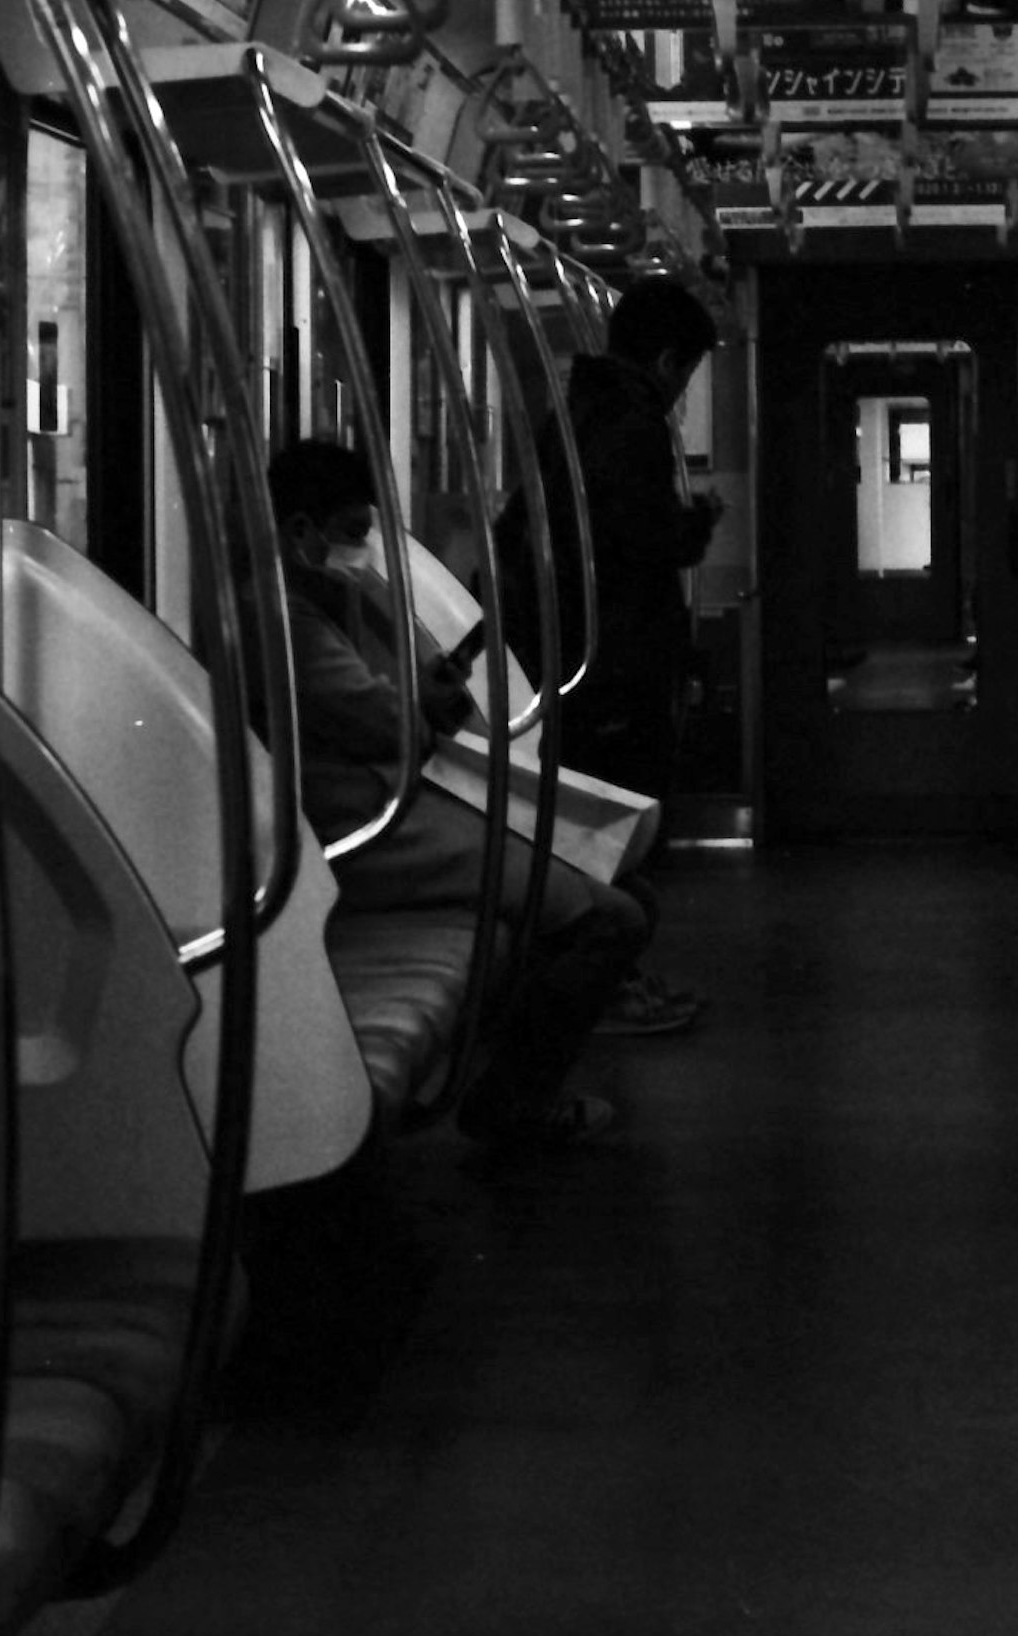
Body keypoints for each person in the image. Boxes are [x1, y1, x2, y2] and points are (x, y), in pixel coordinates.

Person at [269, 434, 657, 1148]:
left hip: (392, 808)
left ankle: (515, 1084)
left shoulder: (318, 601)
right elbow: (388, 720)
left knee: (609, 884)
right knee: (612, 919)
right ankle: (512, 1102)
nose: (363, 552)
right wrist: (431, 705)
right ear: (302, 533)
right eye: (353, 534)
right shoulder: (286, 618)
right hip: (365, 832)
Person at [544, 278, 723, 1033]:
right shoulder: (633, 422)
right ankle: (608, 982)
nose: (682, 389)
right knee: (618, 831)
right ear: (665, 358)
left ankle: (610, 975)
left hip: (585, 654)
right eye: (684, 371)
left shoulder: (576, 408)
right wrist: (694, 526)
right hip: (618, 661)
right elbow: (640, 540)